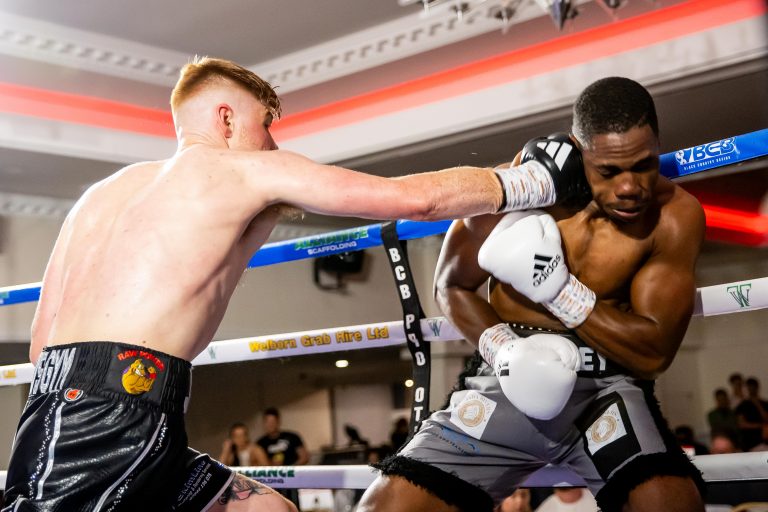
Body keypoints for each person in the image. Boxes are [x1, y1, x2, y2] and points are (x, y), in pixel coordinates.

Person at [1, 56, 561, 512]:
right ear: (224, 118)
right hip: (104, 427)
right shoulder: (244, 169)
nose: (270, 143)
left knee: (269, 509)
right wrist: (532, 180)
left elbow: (38, 343)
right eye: (263, 125)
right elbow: (417, 200)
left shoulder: (100, 194)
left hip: (85, 409)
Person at [358, 77, 707, 512]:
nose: (629, 187)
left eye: (644, 164)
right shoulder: (526, 186)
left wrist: (559, 290)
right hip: (502, 381)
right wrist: (505, 352)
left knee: (671, 505)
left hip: (604, 390)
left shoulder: (673, 215)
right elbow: (451, 283)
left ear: (658, 145)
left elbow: (653, 353)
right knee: (383, 507)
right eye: (609, 171)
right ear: (581, 152)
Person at [256, 408, 308, 508]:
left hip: (291, 483)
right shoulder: (260, 443)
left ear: (278, 421)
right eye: (267, 421)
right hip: (271, 484)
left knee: (292, 506)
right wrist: (271, 467)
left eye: (273, 421)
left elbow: (304, 457)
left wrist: (289, 470)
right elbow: (258, 463)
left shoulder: (292, 437)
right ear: (264, 423)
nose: (270, 424)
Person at [734, 377, 768, 451]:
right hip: (750, 442)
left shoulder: (764, 403)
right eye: (750, 387)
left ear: (757, 388)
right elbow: (741, 424)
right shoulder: (742, 405)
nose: (752, 389)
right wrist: (759, 425)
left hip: (765, 440)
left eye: (753, 387)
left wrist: (757, 404)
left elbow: (766, 419)